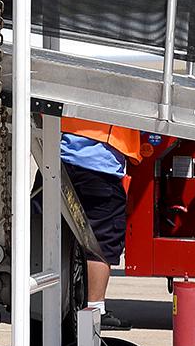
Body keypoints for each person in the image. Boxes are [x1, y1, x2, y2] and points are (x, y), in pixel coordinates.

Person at [47, 118, 146, 332]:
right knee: (101, 243)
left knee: (46, 231)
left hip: (59, 158)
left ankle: (40, 301)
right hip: (100, 166)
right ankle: (96, 307)